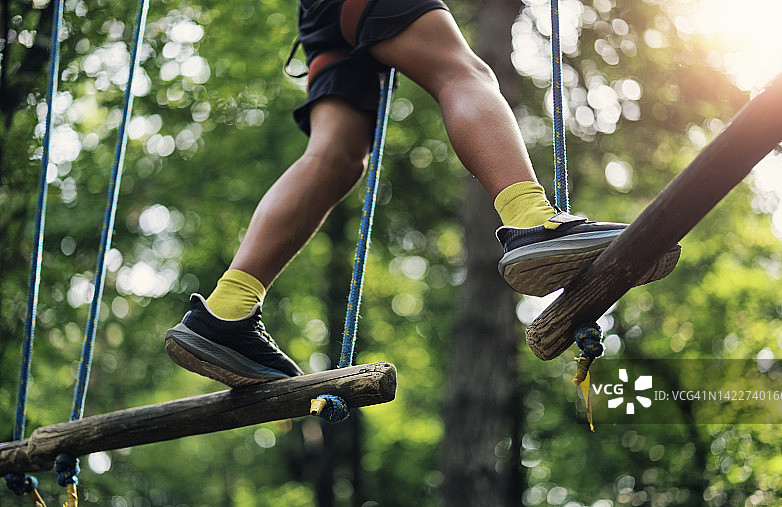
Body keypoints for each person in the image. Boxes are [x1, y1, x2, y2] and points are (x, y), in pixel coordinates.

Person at [164, 0, 678, 387]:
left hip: (321, 13)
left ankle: (226, 310)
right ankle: (530, 220)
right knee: (461, 71)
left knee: (335, 156)